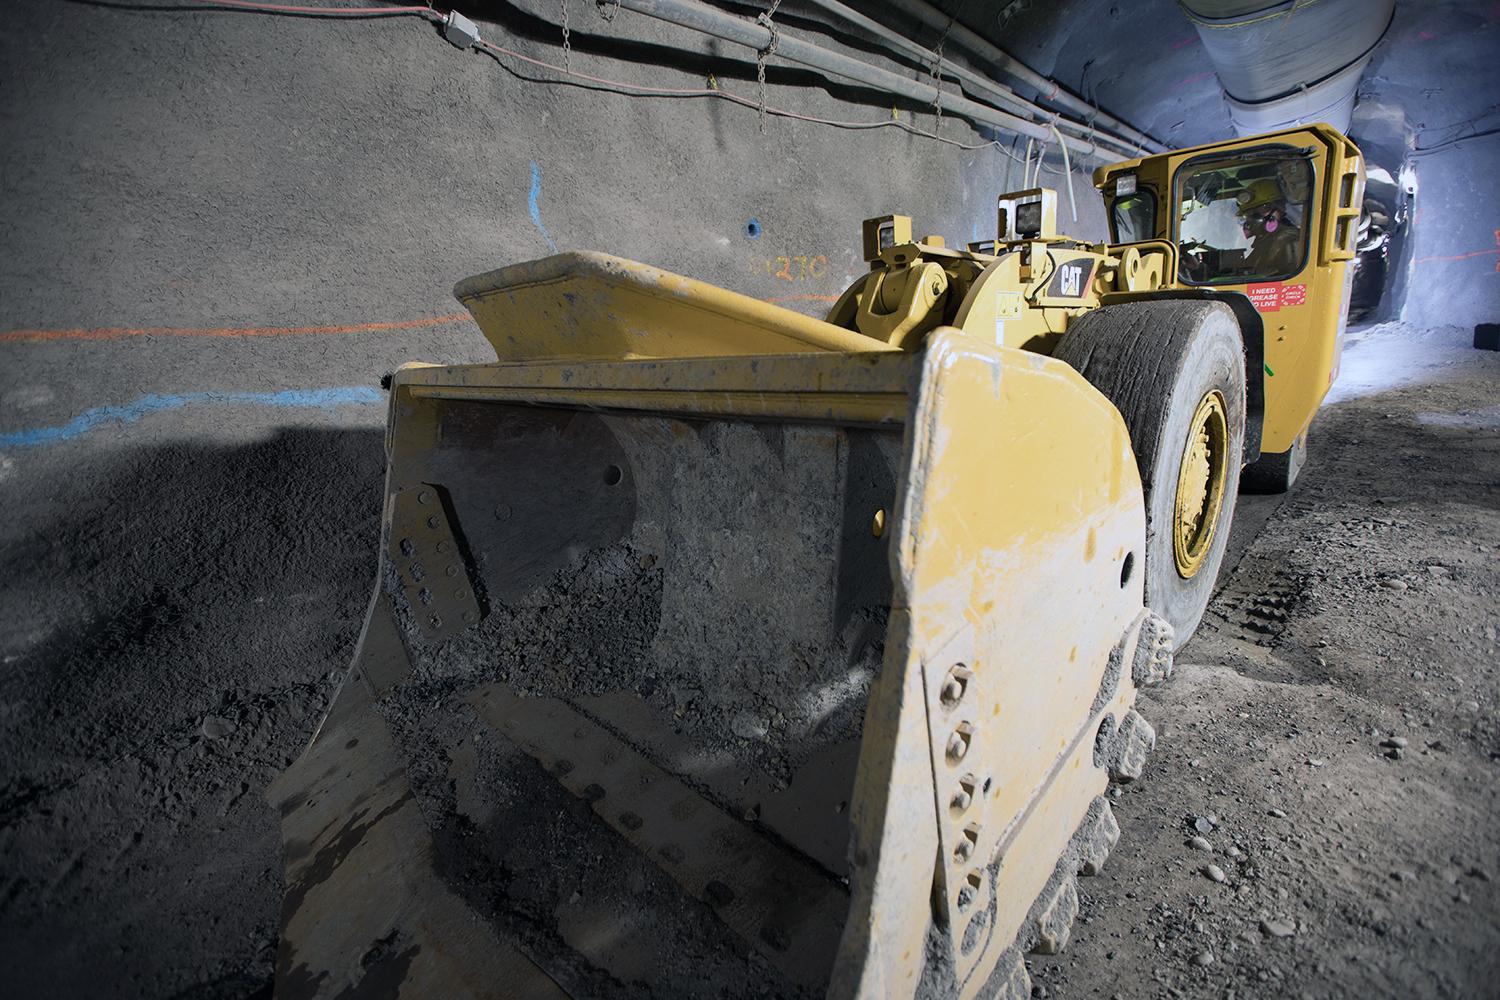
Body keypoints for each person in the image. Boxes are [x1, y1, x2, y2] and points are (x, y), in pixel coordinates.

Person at [1237, 179, 1301, 276]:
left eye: (1263, 208)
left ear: (1280, 207)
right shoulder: (1264, 239)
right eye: (1250, 213)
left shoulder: (1290, 239)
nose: (1254, 217)